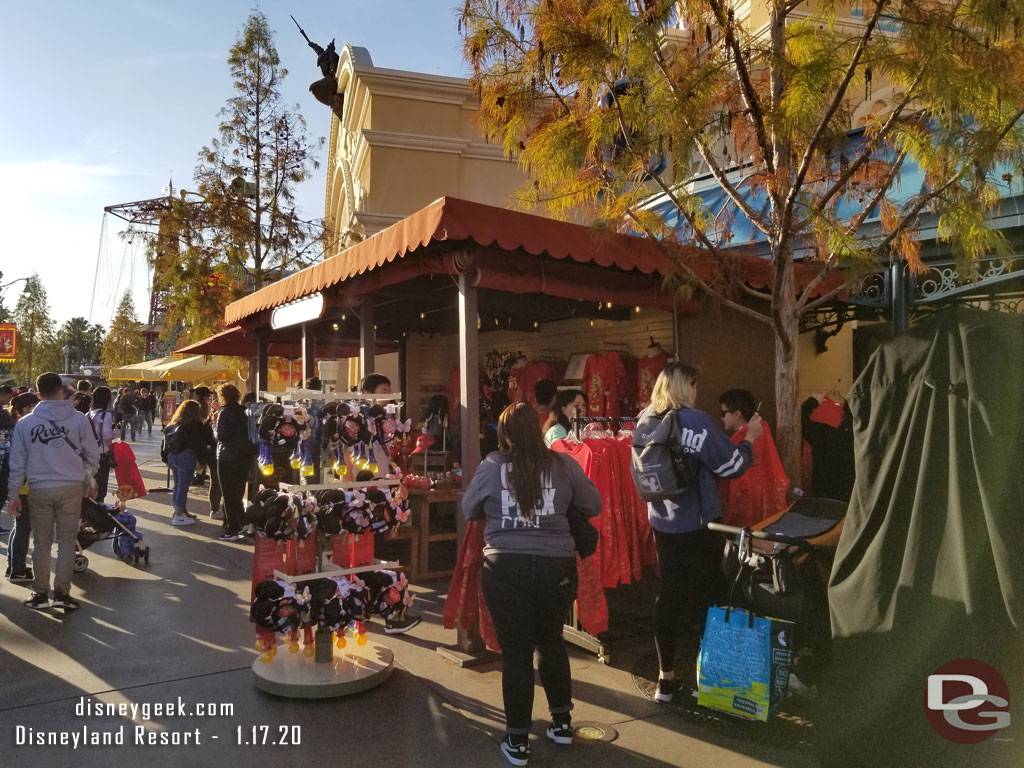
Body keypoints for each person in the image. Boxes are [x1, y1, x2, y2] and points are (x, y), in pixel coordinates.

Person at [462, 402, 603, 766]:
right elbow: (593, 505)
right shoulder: (563, 464)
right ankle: (562, 723)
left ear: (504, 434)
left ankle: (519, 742)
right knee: (551, 641)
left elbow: (469, 509)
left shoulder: (491, 467)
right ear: (539, 430)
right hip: (557, 567)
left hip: (505, 568)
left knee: (516, 654)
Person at [640, 362, 762, 703]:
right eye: (694, 385)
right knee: (708, 599)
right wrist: (749, 438)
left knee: (668, 596)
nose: (697, 392)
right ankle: (711, 681)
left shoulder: (645, 420)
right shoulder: (698, 421)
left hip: (661, 523)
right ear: (685, 387)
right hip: (698, 525)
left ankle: (665, 679)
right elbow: (733, 466)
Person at [7, 373, 100, 611]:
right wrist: (90, 479)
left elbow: (17, 462)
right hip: (70, 487)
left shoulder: (26, 423)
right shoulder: (78, 419)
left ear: (38, 394)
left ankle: (40, 593)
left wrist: (14, 494)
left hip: (39, 487)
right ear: (62, 391)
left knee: (41, 542)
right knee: (67, 541)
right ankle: (62, 592)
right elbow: (93, 454)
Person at [717, 388, 789, 528]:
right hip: (764, 509)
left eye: (723, 413)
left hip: (741, 510)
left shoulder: (737, 440)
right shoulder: (763, 430)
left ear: (737, 414)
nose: (722, 418)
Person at [4, 392, 40, 583]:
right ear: (26, 408)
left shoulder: (18, 423)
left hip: (21, 483)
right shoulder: (25, 425)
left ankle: (14, 566)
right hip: (26, 484)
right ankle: (18, 569)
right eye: (35, 405)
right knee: (24, 527)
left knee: (19, 526)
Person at [214, 384, 255, 541]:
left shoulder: (224, 413)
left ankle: (233, 527)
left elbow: (221, 436)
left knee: (228, 493)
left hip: (226, 456)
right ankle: (242, 521)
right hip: (242, 457)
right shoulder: (243, 412)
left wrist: (214, 430)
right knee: (237, 492)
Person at [163, 400, 213, 527]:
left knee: (177, 485)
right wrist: (202, 461)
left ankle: (179, 511)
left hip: (172, 457)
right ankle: (179, 516)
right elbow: (200, 444)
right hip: (186, 456)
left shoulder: (174, 423)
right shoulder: (195, 425)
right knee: (183, 487)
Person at [87, 387, 117, 504]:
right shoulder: (106, 415)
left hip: (88, 455)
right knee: (101, 488)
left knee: (90, 487)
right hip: (102, 455)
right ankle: (99, 513)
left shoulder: (88, 414)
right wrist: (117, 432)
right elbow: (107, 435)